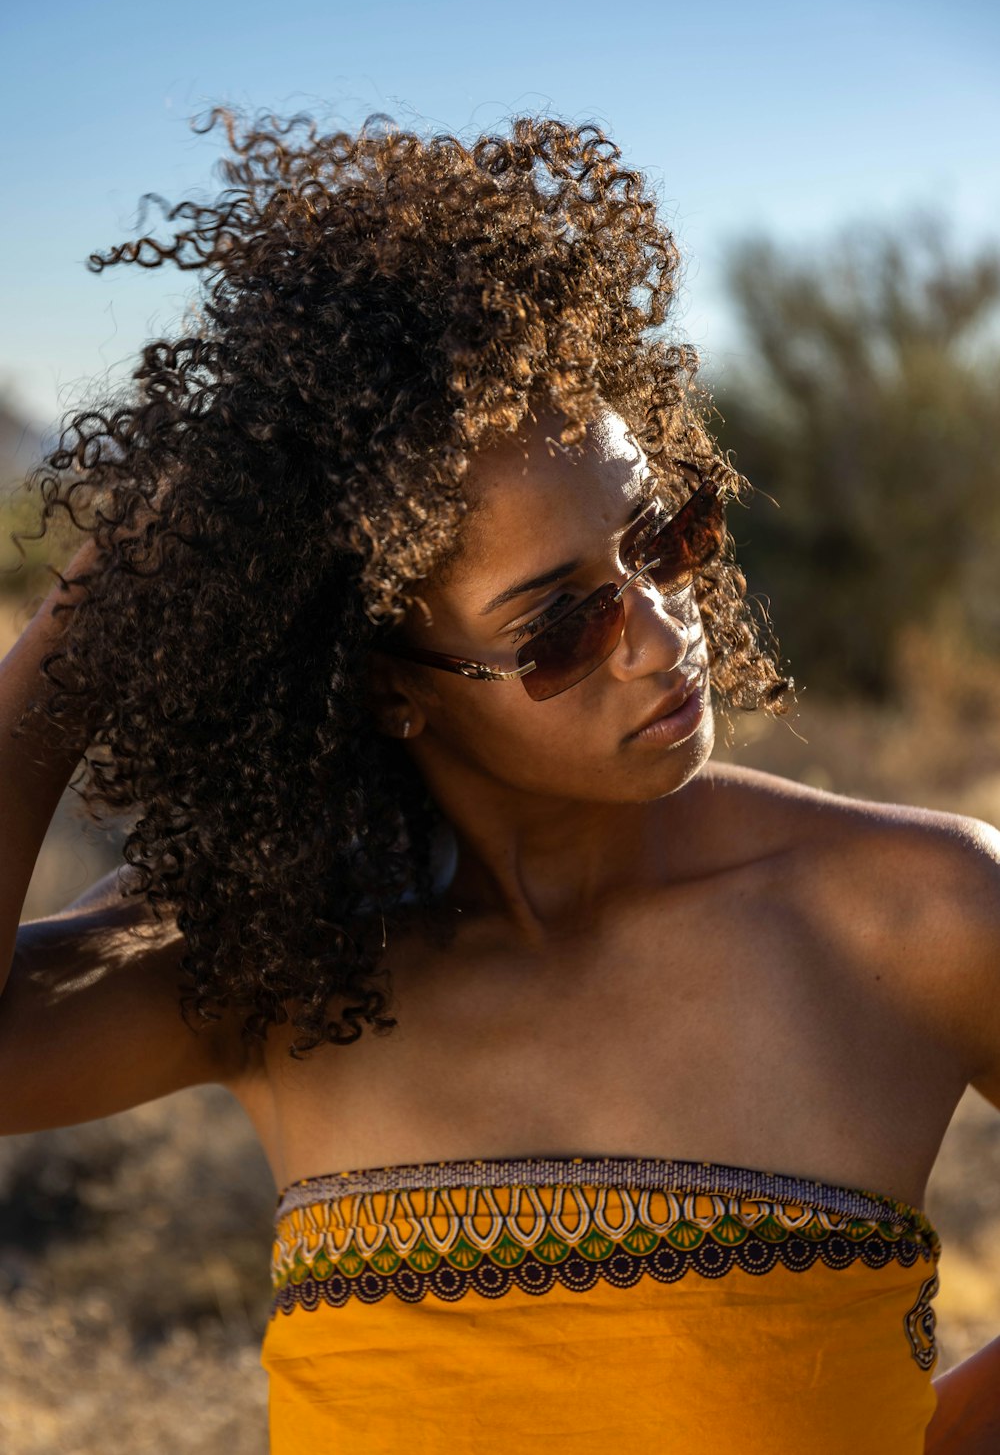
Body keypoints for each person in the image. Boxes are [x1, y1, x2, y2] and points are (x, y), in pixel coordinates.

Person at [0, 110, 997, 1455]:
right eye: (560, 626)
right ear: (389, 689)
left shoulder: (910, 915)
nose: (657, 633)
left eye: (665, 534)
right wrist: (89, 623)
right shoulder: (274, 962)